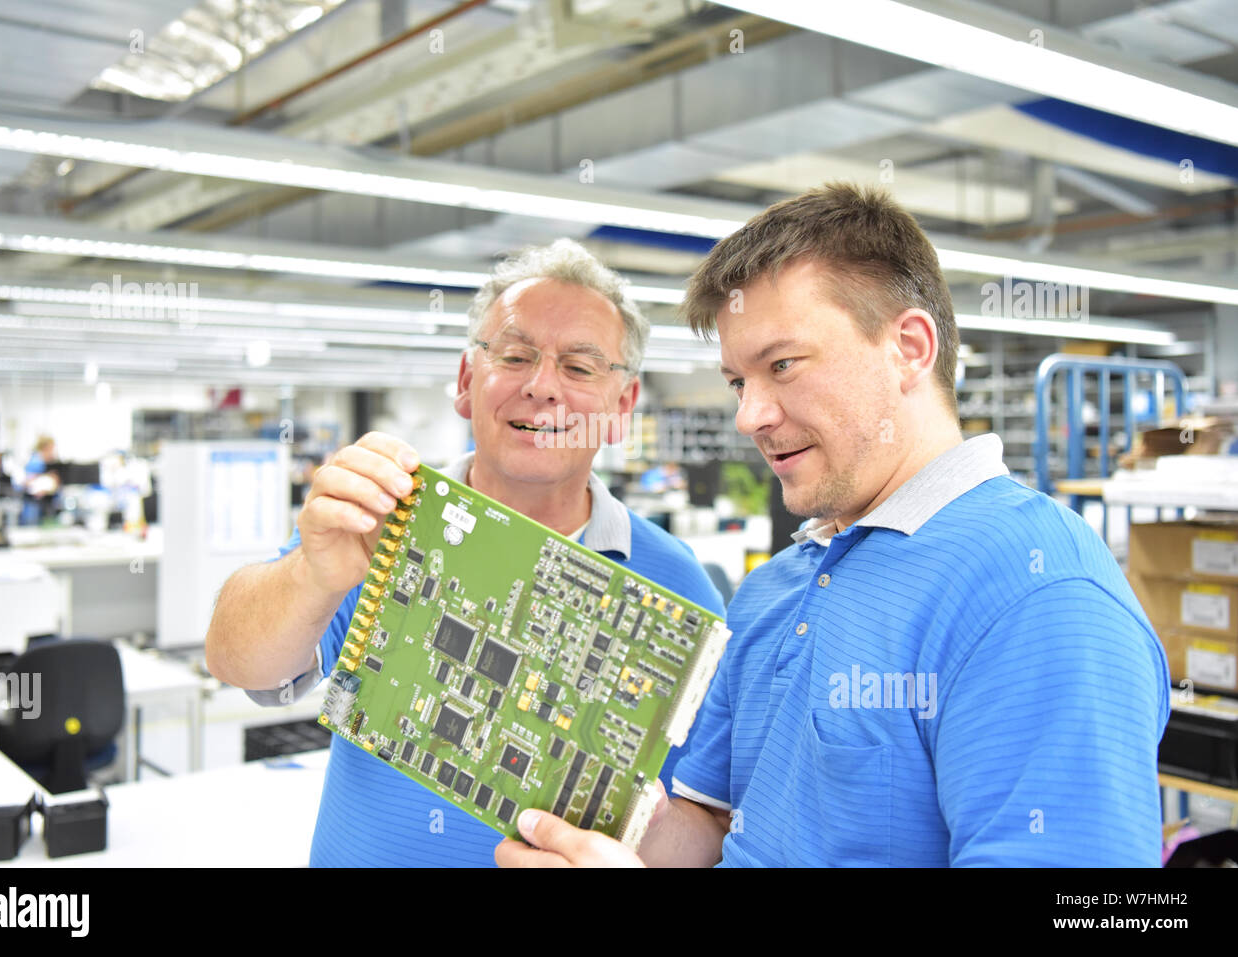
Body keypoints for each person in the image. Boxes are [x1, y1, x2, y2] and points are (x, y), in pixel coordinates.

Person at [496, 183, 1170, 868]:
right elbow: (713, 826)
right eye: (737, 381)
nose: (749, 415)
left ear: (908, 347)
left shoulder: (1038, 596)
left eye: (782, 365)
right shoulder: (773, 592)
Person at [206, 239, 724, 867]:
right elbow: (237, 662)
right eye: (514, 355)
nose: (541, 386)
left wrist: (638, 837)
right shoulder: (383, 518)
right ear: (464, 380)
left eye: (580, 368)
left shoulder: (679, 587)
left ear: (621, 409)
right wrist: (311, 576)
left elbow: (703, 829)